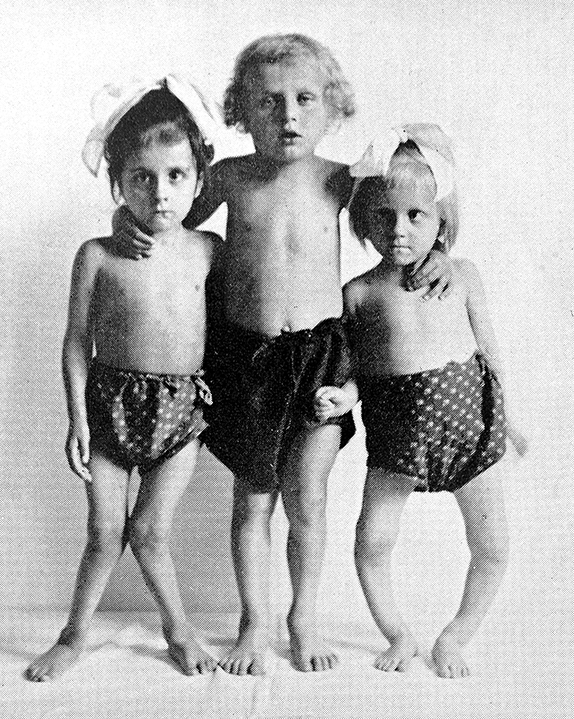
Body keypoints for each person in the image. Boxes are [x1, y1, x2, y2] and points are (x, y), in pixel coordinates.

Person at [113, 35, 452, 675]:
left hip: (323, 358)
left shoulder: (344, 181)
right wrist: (124, 219)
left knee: (308, 501)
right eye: (269, 103)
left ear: (334, 108)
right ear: (242, 110)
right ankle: (256, 621)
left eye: (304, 100)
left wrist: (433, 251)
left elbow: (411, 208)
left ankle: (304, 618)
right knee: (252, 501)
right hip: (245, 359)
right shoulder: (229, 178)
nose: (288, 116)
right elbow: (169, 210)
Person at [26, 75, 222, 681]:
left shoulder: (208, 249)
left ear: (195, 177)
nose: (160, 193)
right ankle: (75, 633)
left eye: (175, 176)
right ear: (118, 184)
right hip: (109, 404)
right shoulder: (98, 254)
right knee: (105, 532)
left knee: (149, 531)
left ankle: (178, 627)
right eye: (141, 178)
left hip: (182, 412)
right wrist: (77, 418)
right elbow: (74, 343)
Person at [314, 124, 528, 678]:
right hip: (397, 442)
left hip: (470, 431)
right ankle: (398, 633)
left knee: (494, 546)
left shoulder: (463, 276)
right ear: (365, 218)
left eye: (416, 215)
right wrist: (344, 397)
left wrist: (512, 420)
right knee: (370, 542)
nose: (399, 230)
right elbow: (363, 367)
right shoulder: (357, 294)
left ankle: (456, 636)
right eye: (384, 215)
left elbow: (491, 352)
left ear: (442, 221)